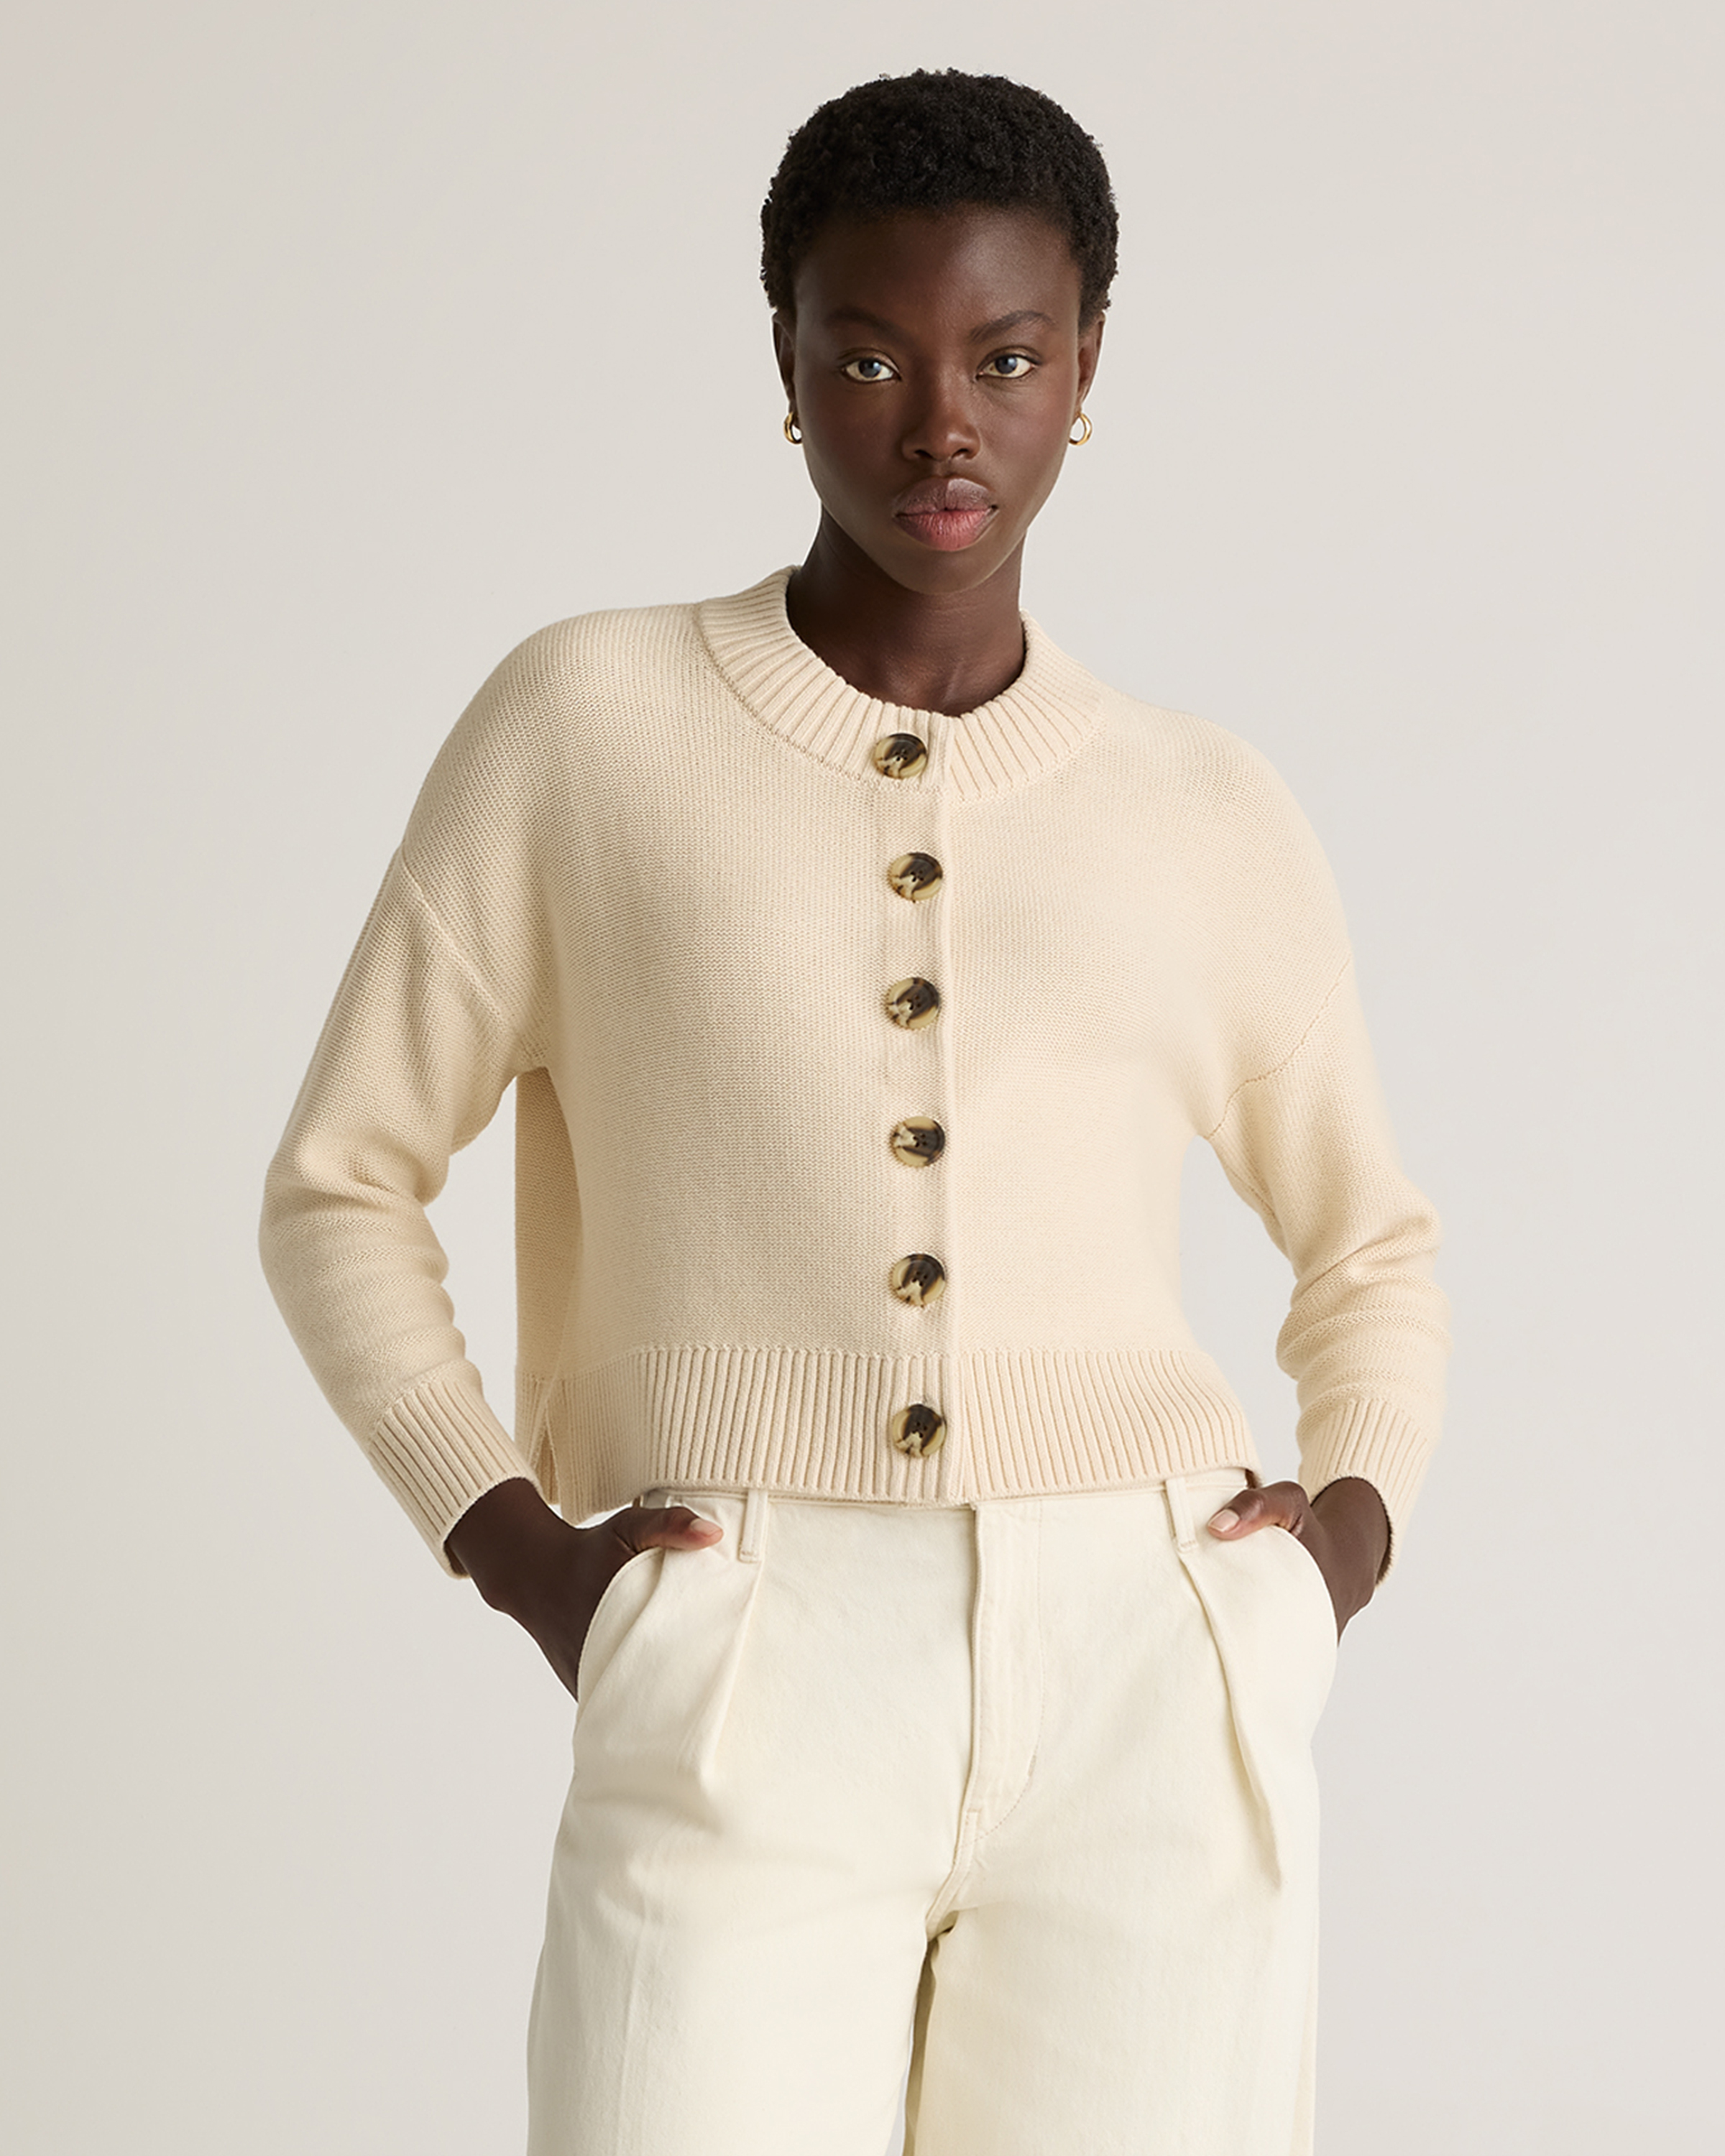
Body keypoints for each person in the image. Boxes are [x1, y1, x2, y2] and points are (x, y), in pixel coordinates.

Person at [260, 68, 1448, 2156]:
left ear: (1088, 368)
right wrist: (527, 1559)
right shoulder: (590, 723)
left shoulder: (1202, 807)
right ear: (787, 359)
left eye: (1008, 358)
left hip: (1150, 1665)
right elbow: (340, 1186)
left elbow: (1371, 1248)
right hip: (744, 1644)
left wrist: (1333, 1546)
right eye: (873, 356)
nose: (940, 426)